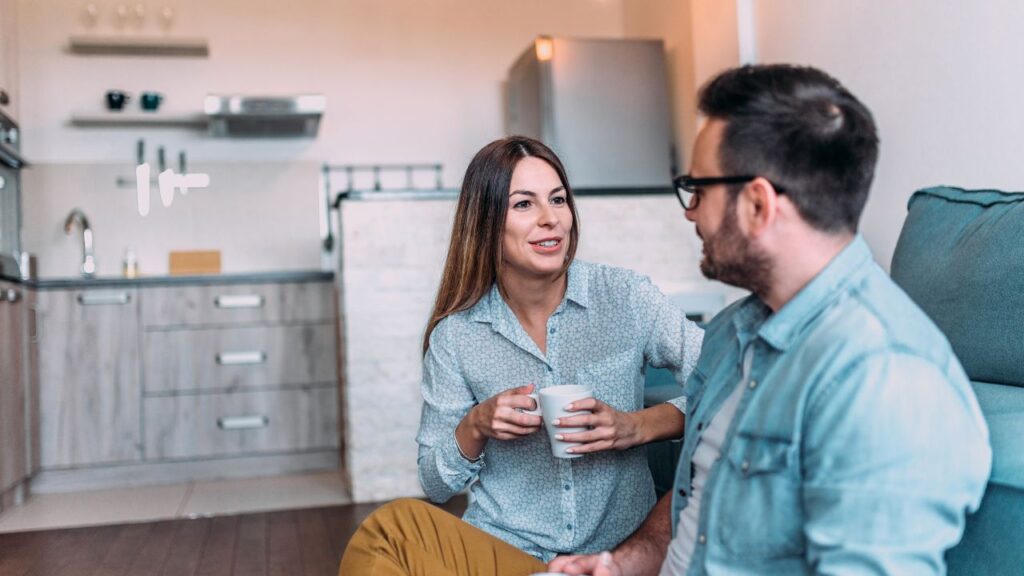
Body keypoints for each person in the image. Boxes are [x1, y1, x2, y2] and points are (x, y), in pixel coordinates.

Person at [551, 64, 992, 575]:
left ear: (758, 204)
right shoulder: (726, 335)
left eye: (698, 189)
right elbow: (702, 496)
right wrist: (620, 565)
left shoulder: (884, 377)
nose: (690, 212)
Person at [339, 136, 704, 575]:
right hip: (508, 556)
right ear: (487, 222)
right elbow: (434, 485)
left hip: (614, 560)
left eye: (558, 199)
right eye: (524, 205)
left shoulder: (626, 298)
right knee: (390, 530)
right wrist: (475, 426)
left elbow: (731, 385)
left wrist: (636, 426)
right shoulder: (457, 336)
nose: (551, 219)